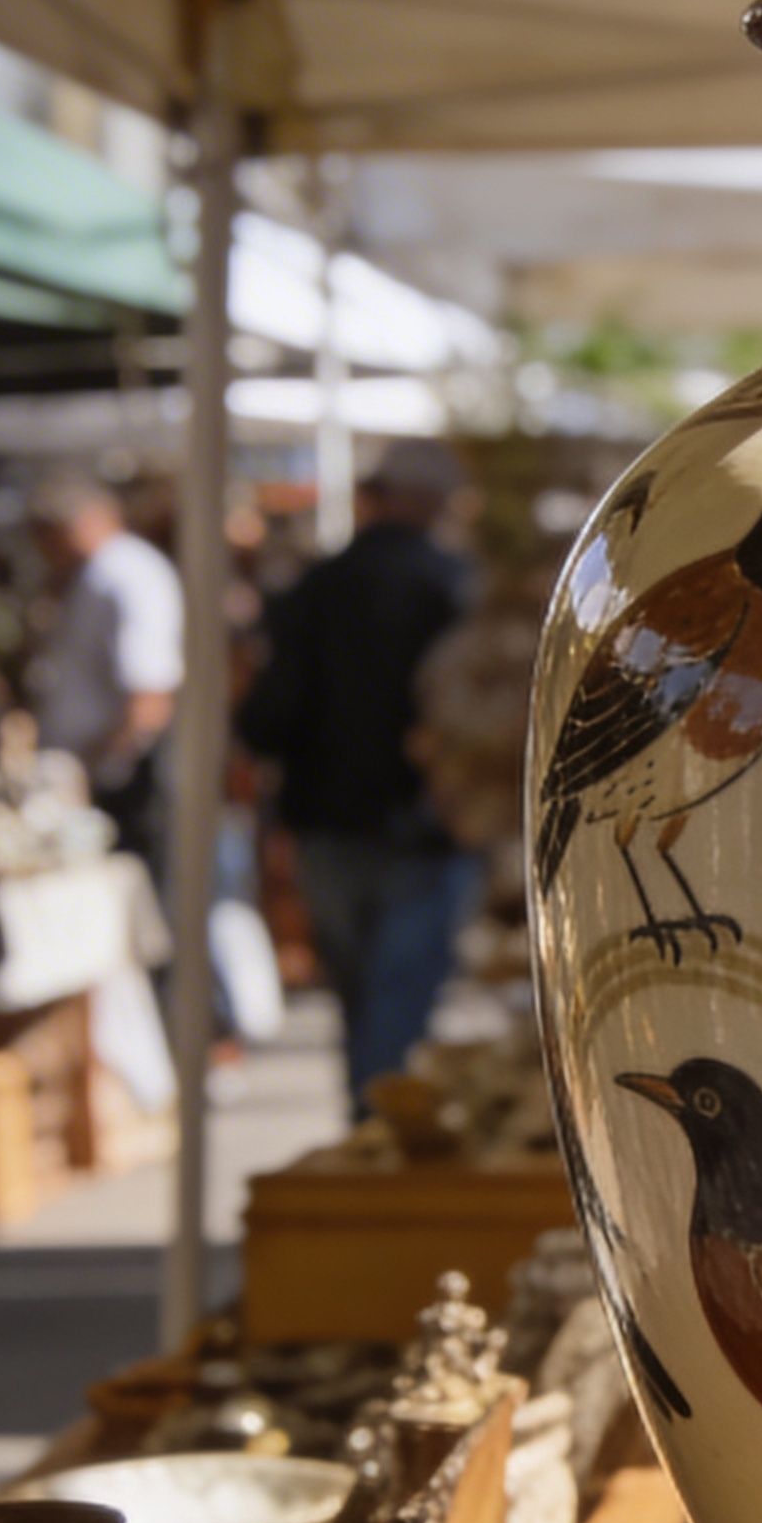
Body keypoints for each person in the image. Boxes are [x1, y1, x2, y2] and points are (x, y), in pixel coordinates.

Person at [239, 442, 478, 1115]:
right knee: (395, 1003)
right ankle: (378, 1133)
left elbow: (265, 717)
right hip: (422, 824)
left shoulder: (316, 588)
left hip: (330, 822)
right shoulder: (454, 586)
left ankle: (370, 1130)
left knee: (362, 997)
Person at [24, 467, 186, 883]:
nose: (45, 550)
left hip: (122, 780)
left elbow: (150, 697)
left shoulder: (126, 572)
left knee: (130, 890)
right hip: (98, 776)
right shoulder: (96, 573)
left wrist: (103, 771)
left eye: (48, 536)